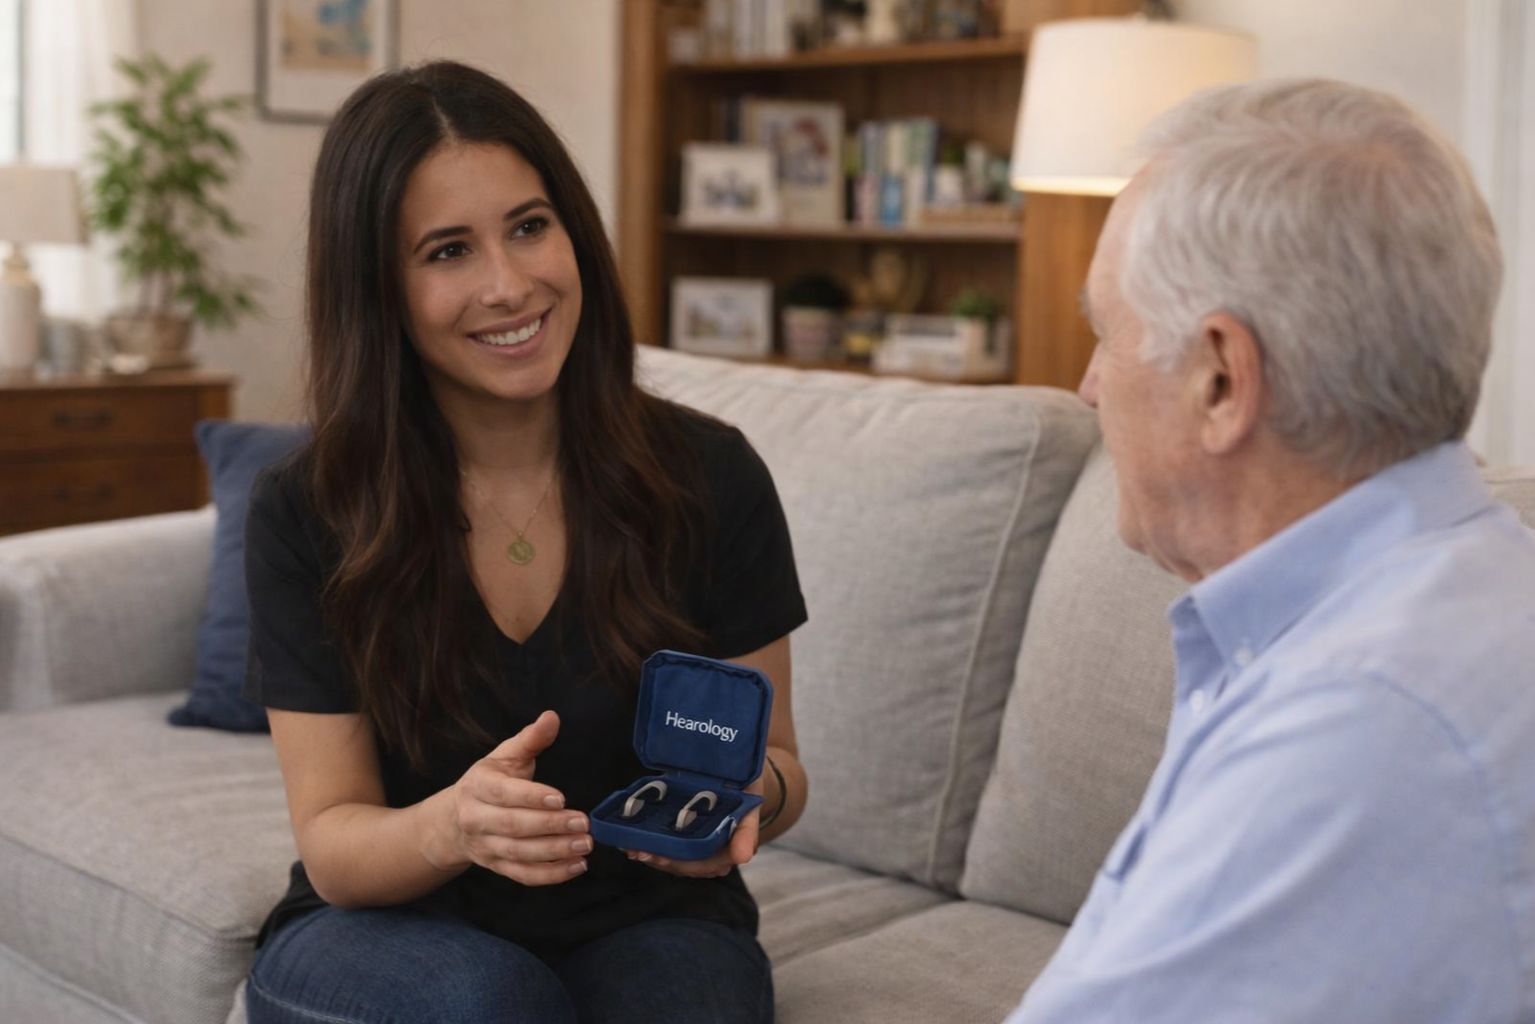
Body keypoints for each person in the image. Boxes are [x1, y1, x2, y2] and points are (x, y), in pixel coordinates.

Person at [240, 61, 808, 1024]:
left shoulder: (710, 475)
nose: (510, 285)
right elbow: (336, 841)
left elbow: (782, 763)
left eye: (529, 227)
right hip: (395, 923)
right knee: (490, 1004)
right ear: (378, 286)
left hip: (658, 915)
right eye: (448, 250)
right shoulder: (311, 508)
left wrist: (749, 797)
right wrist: (453, 828)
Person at [1006, 79, 1535, 1022]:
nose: (1086, 388)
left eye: (1104, 336)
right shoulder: (1471, 585)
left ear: (1220, 378)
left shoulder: (1356, 727)